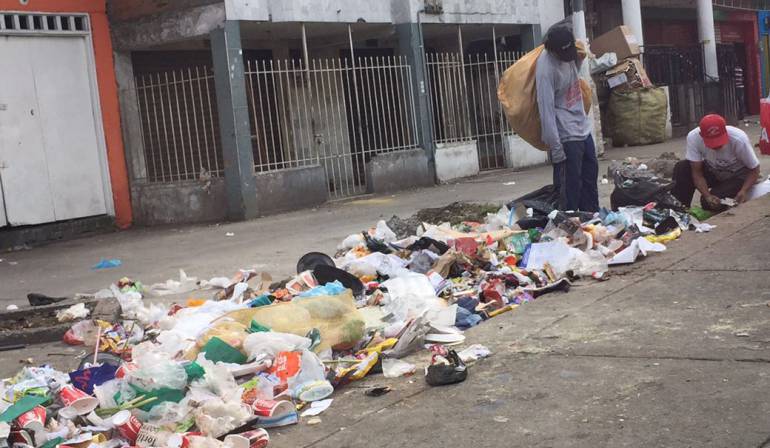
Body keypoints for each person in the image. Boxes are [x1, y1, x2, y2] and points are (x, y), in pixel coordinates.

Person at [535, 22, 598, 212]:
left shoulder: (571, 54)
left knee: (590, 181)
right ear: (553, 51)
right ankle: (568, 232)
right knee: (569, 192)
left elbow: (576, 70)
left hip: (583, 130)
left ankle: (592, 223)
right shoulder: (546, 70)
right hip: (566, 137)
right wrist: (556, 148)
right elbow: (545, 111)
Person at [672, 114, 760, 211]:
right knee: (682, 167)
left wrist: (744, 190)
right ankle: (679, 211)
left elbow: (754, 169)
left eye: (719, 141)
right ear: (701, 135)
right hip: (714, 171)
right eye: (712, 142)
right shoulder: (694, 138)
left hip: (737, 176)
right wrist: (707, 195)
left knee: (707, 204)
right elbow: (697, 173)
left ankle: (727, 193)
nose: (716, 146)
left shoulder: (738, 139)